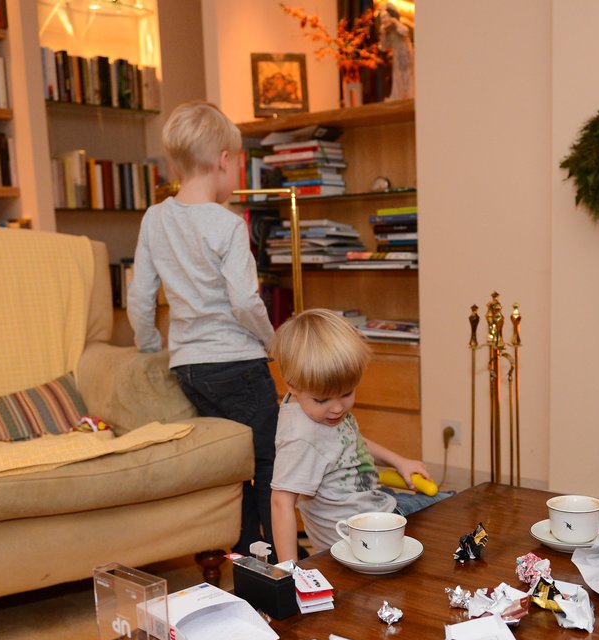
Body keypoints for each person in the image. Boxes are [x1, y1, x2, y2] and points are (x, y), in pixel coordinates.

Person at [128, 100, 278, 556]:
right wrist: (274, 343)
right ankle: (277, 551)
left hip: (190, 367)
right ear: (224, 160)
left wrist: (154, 347)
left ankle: (241, 546)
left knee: (226, 460)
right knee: (269, 458)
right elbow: (244, 301)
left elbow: (139, 298)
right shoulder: (228, 226)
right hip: (239, 362)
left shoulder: (155, 218)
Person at [270, 309, 449, 563]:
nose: (337, 408)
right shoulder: (301, 437)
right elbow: (281, 503)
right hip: (358, 536)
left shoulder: (323, 414)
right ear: (291, 385)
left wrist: (400, 462)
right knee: (451, 516)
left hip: (376, 504)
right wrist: (291, 572)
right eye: (322, 399)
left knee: (451, 504)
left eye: (346, 394)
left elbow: (351, 441)